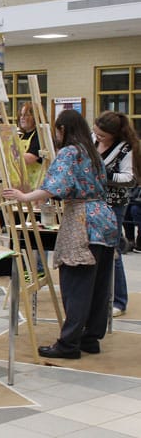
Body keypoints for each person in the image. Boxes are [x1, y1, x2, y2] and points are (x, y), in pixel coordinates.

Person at [3, 110, 118, 359]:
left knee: (76, 284)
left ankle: (69, 343)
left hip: (82, 220)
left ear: (63, 130)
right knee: (98, 286)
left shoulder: (70, 152)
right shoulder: (92, 152)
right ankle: (90, 338)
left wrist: (24, 197)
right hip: (104, 219)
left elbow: (57, 186)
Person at [92, 111, 140, 317]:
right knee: (98, 250)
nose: (98, 138)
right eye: (96, 134)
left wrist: (105, 175)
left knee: (113, 252)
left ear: (114, 134)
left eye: (102, 135)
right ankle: (100, 295)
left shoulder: (126, 149)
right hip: (94, 202)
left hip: (114, 205)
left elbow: (130, 178)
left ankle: (119, 300)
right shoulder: (95, 143)